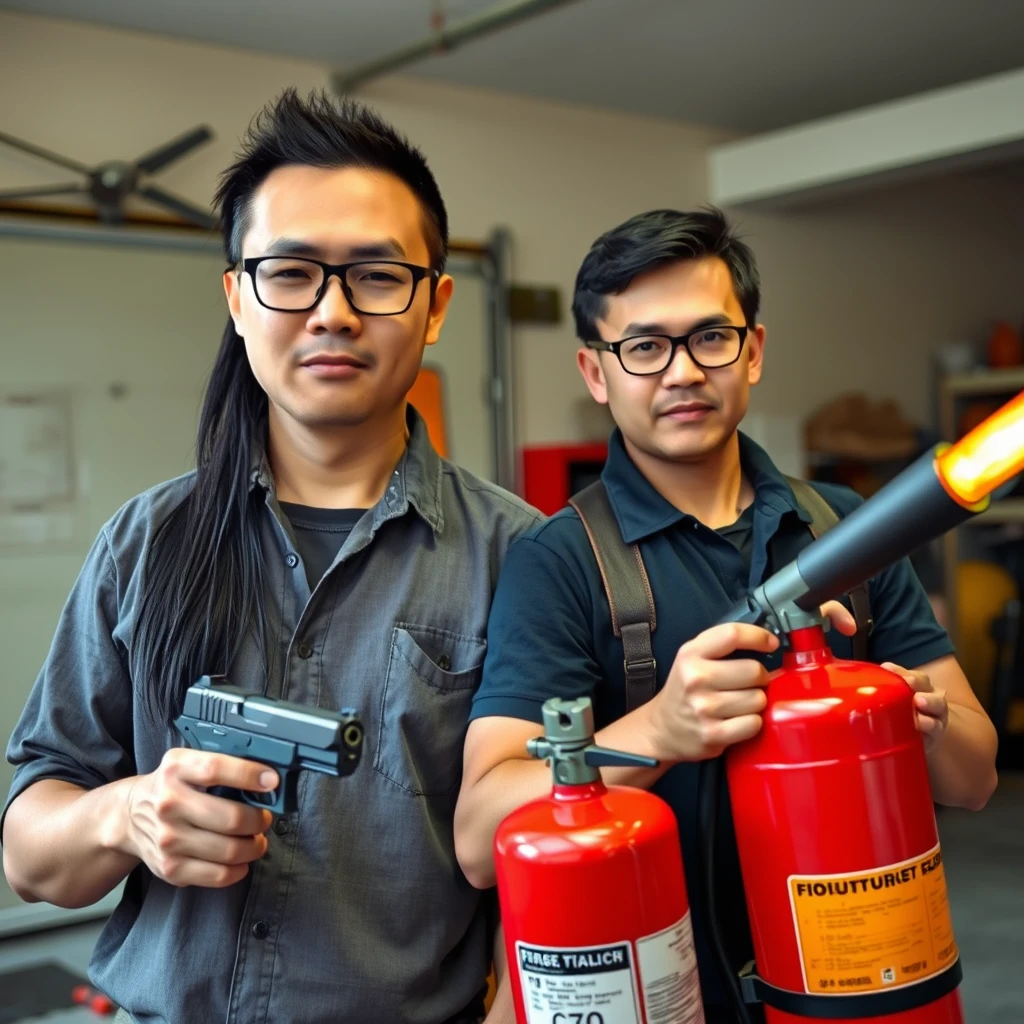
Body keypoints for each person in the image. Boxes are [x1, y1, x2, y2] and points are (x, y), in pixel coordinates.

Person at [2, 89, 539, 1024]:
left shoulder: (522, 556)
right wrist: (125, 813)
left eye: (376, 275)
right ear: (237, 298)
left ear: (438, 304)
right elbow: (29, 855)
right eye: (290, 273)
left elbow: (544, 855)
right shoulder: (144, 543)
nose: (332, 313)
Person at [454, 207, 998, 1022]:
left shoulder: (845, 530)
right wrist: (657, 733)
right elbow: (477, 840)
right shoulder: (561, 561)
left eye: (711, 337)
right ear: (596, 373)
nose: (682, 372)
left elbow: (979, 776)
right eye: (644, 347)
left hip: (852, 992)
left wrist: (914, 719)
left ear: (754, 352)